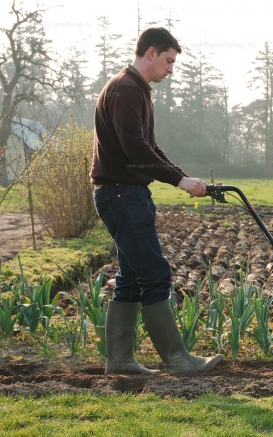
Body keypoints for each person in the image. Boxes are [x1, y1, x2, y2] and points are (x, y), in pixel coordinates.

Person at [90, 27, 222, 376]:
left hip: (128, 193)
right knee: (153, 272)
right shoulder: (125, 89)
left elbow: (149, 148)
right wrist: (180, 180)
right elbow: (135, 150)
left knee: (132, 277)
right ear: (151, 53)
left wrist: (185, 177)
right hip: (121, 194)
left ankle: (119, 361)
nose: (171, 69)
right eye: (168, 60)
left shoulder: (137, 91)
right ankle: (178, 360)